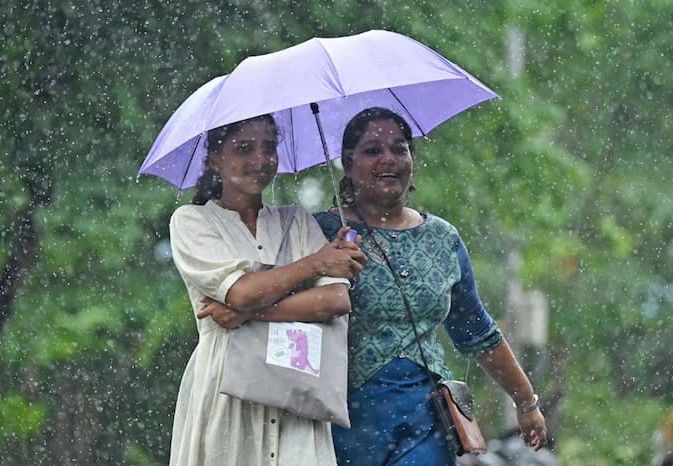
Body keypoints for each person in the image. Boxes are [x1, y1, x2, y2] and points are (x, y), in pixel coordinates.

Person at [312, 107, 548, 465]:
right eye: (373, 150)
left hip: (425, 422)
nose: (388, 158)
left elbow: (476, 331)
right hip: (340, 421)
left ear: (413, 159)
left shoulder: (442, 238)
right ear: (348, 163)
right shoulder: (318, 234)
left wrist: (526, 401)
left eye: (400, 148)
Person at [167, 114, 366, 466]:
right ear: (214, 158)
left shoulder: (296, 221)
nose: (260, 159)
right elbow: (241, 291)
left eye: (269, 147)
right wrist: (316, 263)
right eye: (244, 148)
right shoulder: (191, 221)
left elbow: (335, 299)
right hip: (227, 395)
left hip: (298, 391)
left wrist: (249, 313)